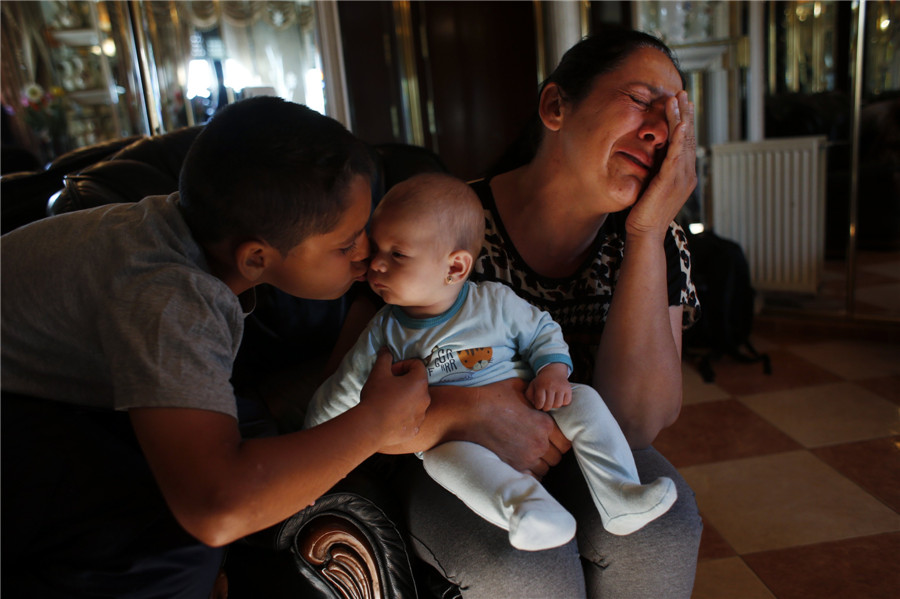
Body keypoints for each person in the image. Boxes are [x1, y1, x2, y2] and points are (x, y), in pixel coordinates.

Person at [0, 97, 431, 598]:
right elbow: (217, 509)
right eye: (345, 244)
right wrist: (375, 423)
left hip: (42, 395)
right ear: (254, 258)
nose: (366, 253)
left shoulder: (172, 227)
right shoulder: (173, 297)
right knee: (177, 548)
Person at [375, 30, 702, 598]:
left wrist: (646, 234)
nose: (657, 131)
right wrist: (469, 409)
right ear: (555, 107)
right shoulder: (445, 226)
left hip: (585, 449)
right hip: (454, 461)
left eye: (671, 116)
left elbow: (637, 423)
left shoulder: (657, 235)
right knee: (530, 566)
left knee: (661, 534)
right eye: (639, 99)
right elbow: (356, 400)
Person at [305, 173, 677, 552]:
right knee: (441, 463)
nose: (376, 266)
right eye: (377, 250)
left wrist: (552, 371)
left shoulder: (493, 302)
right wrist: (310, 466)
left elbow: (541, 331)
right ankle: (530, 513)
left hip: (533, 403)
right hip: (454, 440)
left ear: (455, 268)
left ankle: (619, 495)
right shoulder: (382, 333)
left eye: (396, 254)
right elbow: (340, 395)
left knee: (583, 401)